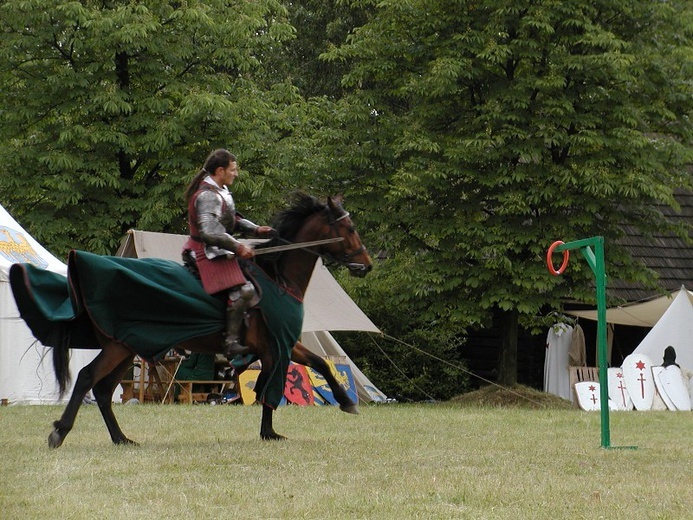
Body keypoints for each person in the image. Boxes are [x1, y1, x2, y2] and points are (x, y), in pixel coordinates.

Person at [182, 149, 275, 358]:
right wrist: (239, 247)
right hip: (204, 252)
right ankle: (230, 342)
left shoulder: (221, 190)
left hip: (219, 248)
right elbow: (210, 231)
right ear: (220, 170)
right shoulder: (207, 195)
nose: (236, 173)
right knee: (244, 290)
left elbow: (231, 220)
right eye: (233, 170)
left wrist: (256, 229)